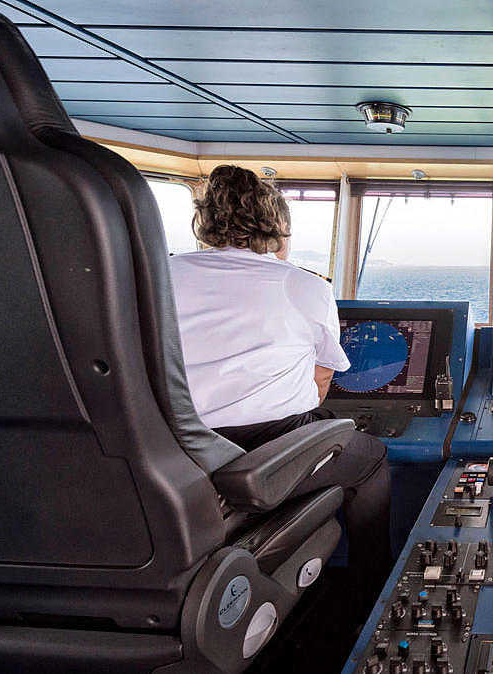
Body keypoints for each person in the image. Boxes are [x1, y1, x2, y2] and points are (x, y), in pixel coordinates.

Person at [167, 165, 391, 617]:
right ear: (278, 227)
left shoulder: (161, 275)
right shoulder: (302, 284)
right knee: (371, 461)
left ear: (204, 221)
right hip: (270, 444)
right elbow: (322, 380)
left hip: (174, 449)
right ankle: (373, 591)